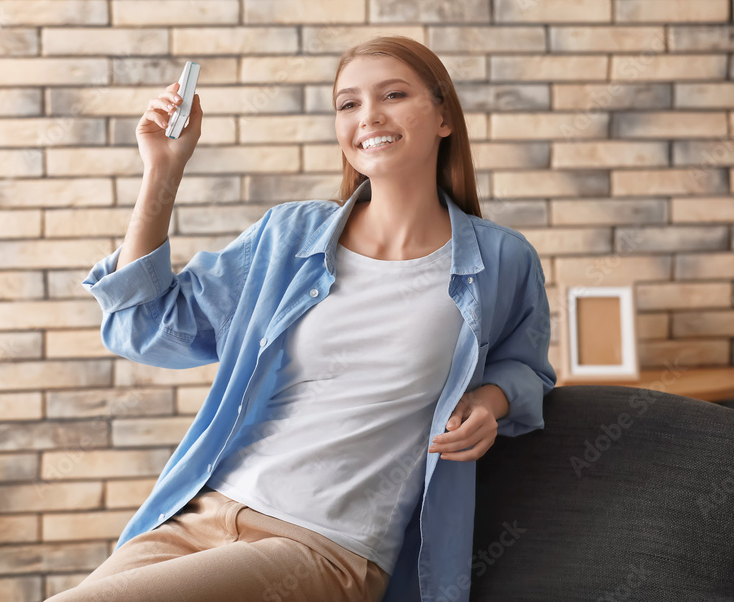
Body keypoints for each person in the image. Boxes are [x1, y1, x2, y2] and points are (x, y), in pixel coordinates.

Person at [46, 35, 556, 602]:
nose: (370, 117)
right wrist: (162, 170)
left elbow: (526, 366)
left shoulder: (501, 260)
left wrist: (493, 401)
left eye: (393, 94)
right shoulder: (290, 238)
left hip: (324, 546)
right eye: (348, 104)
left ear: (442, 116)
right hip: (201, 514)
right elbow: (144, 326)